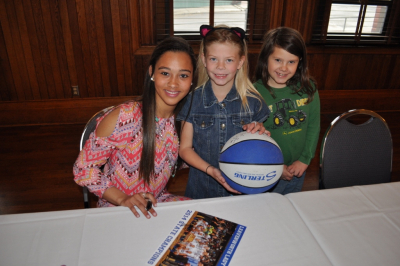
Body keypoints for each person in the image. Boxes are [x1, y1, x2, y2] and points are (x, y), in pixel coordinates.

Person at [73, 37, 197, 218]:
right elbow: (83, 169)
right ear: (152, 73)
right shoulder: (125, 117)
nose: (173, 83)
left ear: (192, 79)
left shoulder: (184, 118)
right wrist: (123, 199)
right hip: (118, 209)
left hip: (158, 201)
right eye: (165, 73)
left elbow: (182, 158)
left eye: (183, 75)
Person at [177, 25, 270, 199]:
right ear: (204, 60)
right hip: (201, 187)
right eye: (214, 59)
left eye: (228, 60)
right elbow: (184, 149)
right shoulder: (192, 100)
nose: (220, 67)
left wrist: (260, 133)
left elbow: (260, 144)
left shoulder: (254, 102)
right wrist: (211, 170)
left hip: (242, 188)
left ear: (240, 62)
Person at [253, 27, 320, 195]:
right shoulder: (254, 93)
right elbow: (255, 139)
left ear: (300, 63)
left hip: (298, 168)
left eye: (291, 62)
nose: (284, 68)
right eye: (278, 60)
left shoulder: (309, 88)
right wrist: (274, 165)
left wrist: (304, 160)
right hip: (267, 168)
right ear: (266, 58)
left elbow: (313, 126)